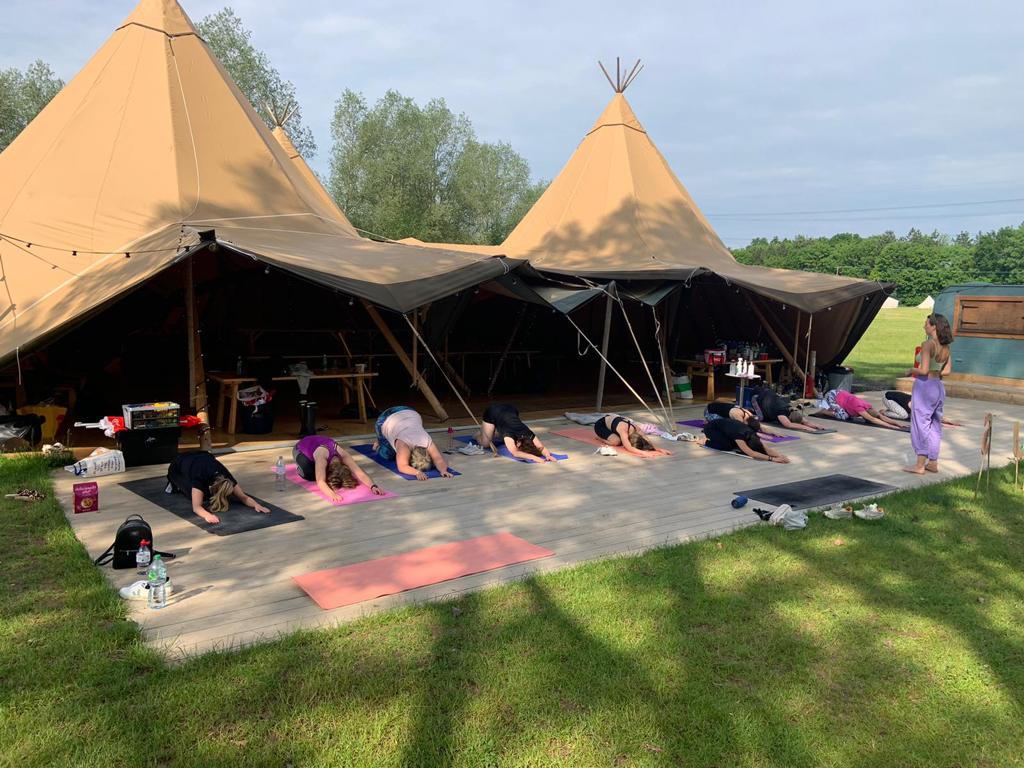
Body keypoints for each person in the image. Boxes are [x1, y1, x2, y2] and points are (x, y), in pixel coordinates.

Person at [903, 313, 954, 474]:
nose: (924, 326)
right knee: (935, 424)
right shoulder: (945, 346)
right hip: (938, 386)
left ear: (933, 326)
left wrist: (911, 370)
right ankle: (933, 462)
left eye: (926, 323)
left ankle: (919, 465)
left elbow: (923, 370)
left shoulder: (927, 345)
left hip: (925, 387)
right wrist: (935, 374)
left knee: (920, 424)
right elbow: (947, 370)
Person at [166, 451, 269, 525]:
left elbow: (243, 497)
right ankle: (173, 483)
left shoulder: (226, 477)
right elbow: (196, 507)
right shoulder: (200, 477)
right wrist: (208, 515)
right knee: (199, 495)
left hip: (202, 455)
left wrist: (256, 505)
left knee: (204, 493)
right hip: (177, 465)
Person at [373, 405, 455, 480]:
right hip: (385, 419)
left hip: (409, 411)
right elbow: (402, 466)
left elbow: (438, 459)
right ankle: (378, 444)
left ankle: (390, 435)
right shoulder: (404, 445)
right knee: (388, 455)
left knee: (396, 448)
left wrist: (443, 471)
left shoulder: (427, 441)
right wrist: (417, 472)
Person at [293, 435, 384, 501]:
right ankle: (300, 466)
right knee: (311, 475)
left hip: (316, 443)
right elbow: (320, 481)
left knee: (320, 472)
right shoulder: (322, 458)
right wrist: (332, 494)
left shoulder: (343, 455)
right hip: (299, 448)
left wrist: (373, 486)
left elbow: (359, 473)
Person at [477, 403, 557, 462]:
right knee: (486, 444)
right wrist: (534, 457)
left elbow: (540, 447)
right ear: (518, 443)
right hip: (493, 412)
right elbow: (515, 452)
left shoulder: (528, 434)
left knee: (499, 434)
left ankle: (492, 430)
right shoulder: (509, 435)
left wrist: (548, 455)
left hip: (511, 409)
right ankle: (478, 434)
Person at [700, 419, 791, 463]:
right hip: (711, 428)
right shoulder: (740, 437)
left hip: (725, 429)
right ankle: (705, 441)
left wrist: (780, 455)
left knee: (733, 445)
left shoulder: (752, 434)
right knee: (726, 446)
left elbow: (765, 448)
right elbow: (751, 453)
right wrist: (773, 459)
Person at [816, 389, 909, 431]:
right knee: (844, 416)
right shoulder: (859, 408)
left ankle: (831, 407)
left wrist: (898, 424)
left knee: (848, 413)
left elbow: (881, 416)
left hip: (841, 393)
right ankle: (824, 410)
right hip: (832, 396)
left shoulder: (869, 406)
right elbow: (873, 419)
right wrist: (891, 427)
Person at [750, 387, 829, 433]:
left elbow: (805, 421)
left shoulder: (792, 410)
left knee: (771, 417)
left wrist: (817, 426)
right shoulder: (781, 413)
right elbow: (788, 425)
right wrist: (806, 428)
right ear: (789, 418)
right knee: (762, 419)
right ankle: (750, 412)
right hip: (756, 395)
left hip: (768, 394)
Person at [593, 414, 673, 458]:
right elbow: (629, 448)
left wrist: (659, 449)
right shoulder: (623, 431)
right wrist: (643, 453)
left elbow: (646, 439)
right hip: (600, 425)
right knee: (616, 442)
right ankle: (599, 438)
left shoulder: (636, 428)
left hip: (612, 423)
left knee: (620, 440)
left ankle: (611, 434)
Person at [703, 400, 780, 438]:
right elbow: (742, 430)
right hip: (709, 411)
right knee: (725, 425)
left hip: (721, 409)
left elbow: (760, 426)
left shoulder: (750, 416)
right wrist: (760, 435)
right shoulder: (738, 417)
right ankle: (708, 420)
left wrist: (774, 432)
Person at [882, 390, 960, 426]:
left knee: (908, 415)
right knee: (904, 415)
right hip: (888, 398)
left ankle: (892, 410)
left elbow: (936, 415)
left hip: (898, 402)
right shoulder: (915, 404)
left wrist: (949, 421)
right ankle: (884, 412)